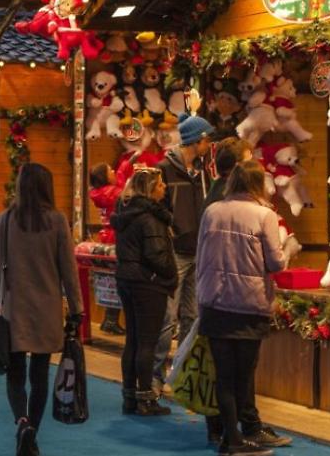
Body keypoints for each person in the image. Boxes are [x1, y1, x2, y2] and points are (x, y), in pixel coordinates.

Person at [197, 161, 291, 456]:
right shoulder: (266, 215)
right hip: (248, 303)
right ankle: (238, 438)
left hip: (214, 301)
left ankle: (230, 437)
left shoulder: (211, 211)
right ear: (257, 184)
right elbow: (276, 263)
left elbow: (200, 255)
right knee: (244, 374)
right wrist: (288, 248)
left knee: (224, 376)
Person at [0, 163, 82, 456]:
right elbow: (69, 270)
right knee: (39, 375)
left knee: (14, 373)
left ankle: (22, 422)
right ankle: (33, 434)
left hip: (14, 307)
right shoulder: (57, 221)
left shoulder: (5, 220)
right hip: (47, 308)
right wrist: (77, 308)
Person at [152, 113, 214, 388]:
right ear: (196, 140)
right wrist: (171, 229)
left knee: (191, 316)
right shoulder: (164, 168)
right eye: (206, 138)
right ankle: (154, 375)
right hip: (176, 250)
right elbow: (158, 205)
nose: (209, 143)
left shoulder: (203, 171)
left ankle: (182, 376)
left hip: (198, 249)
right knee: (167, 316)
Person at [111, 167, 177, 416]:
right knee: (147, 342)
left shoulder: (126, 213)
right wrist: (171, 276)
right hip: (147, 283)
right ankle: (145, 399)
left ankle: (130, 396)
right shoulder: (151, 218)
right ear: (150, 189)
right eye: (160, 185)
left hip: (127, 280)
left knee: (134, 340)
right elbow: (156, 255)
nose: (164, 188)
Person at [89, 157, 134, 335]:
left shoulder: (102, 192)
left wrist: (124, 167)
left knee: (111, 281)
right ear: (104, 176)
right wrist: (125, 168)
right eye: (110, 170)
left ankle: (110, 319)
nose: (113, 172)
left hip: (106, 237)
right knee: (118, 281)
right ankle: (110, 320)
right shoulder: (111, 193)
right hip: (115, 237)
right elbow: (125, 195)